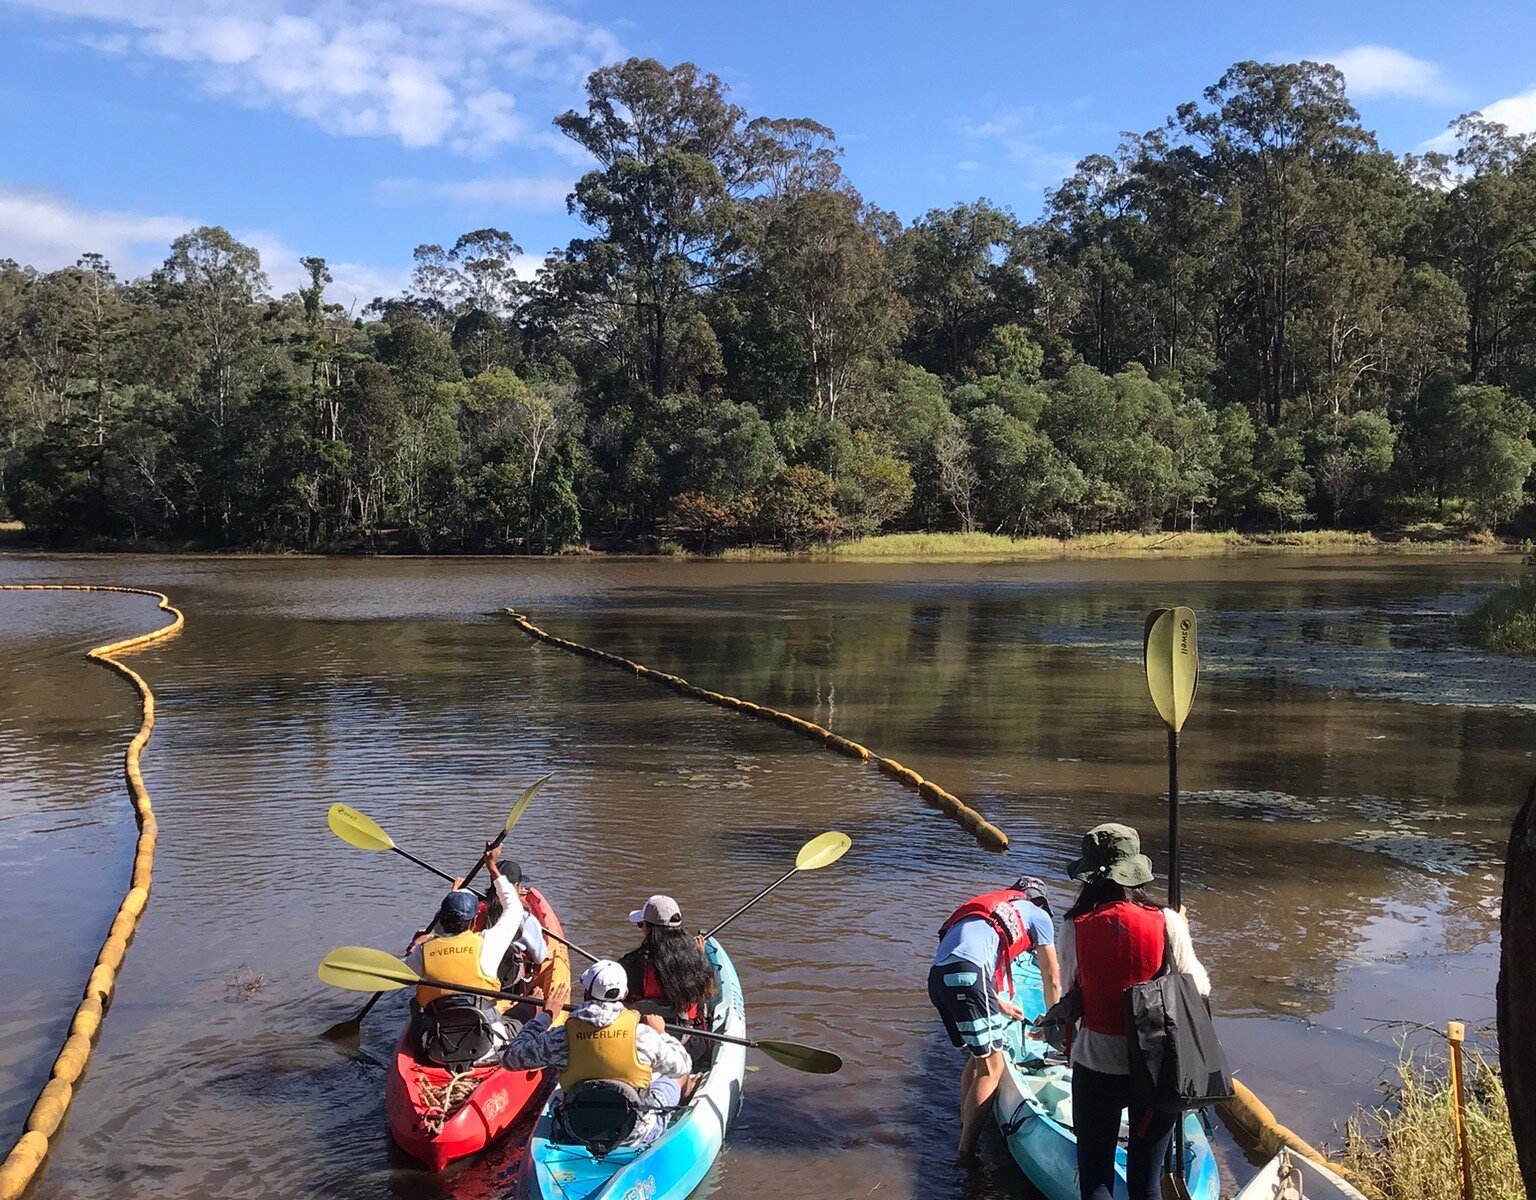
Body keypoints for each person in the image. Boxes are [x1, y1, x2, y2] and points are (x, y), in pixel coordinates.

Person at [1056, 823, 1211, 1200]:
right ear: (1136, 872)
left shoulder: (1074, 927)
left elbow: (1069, 992)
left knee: (1095, 1179)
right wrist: (1180, 931)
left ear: (1089, 876)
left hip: (1095, 1067)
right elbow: (1200, 988)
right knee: (1146, 1181)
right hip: (1157, 1072)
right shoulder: (1168, 922)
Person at [929, 875, 1061, 1156]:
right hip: (968, 977)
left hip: (938, 977)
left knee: (979, 1060)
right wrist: (1053, 1024)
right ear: (1039, 901)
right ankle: (965, 1155)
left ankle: (965, 1124)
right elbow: (1051, 977)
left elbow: (958, 954)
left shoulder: (988, 908)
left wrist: (997, 1002)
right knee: (993, 1068)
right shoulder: (1038, 915)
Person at [501, 960, 694, 1150]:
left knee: (560, 1093)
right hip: (634, 1132)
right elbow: (683, 1065)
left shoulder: (562, 1037)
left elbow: (511, 1059)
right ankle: (686, 1101)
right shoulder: (643, 1036)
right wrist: (662, 1033)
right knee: (678, 1078)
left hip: (574, 1130)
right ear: (625, 994)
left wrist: (545, 1016)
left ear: (586, 993)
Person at [405, 843, 546, 1065]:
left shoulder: (424, 951)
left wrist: (416, 944)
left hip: (436, 1047)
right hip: (488, 1045)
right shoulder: (487, 943)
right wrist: (492, 867)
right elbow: (513, 909)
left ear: (441, 920)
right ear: (472, 921)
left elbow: (397, 974)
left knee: (415, 1005)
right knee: (531, 1004)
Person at [618, 895, 716, 1024]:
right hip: (688, 1034)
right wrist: (700, 956)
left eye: (640, 924)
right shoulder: (696, 961)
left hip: (644, 1033)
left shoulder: (631, 964)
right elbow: (707, 993)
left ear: (648, 927)